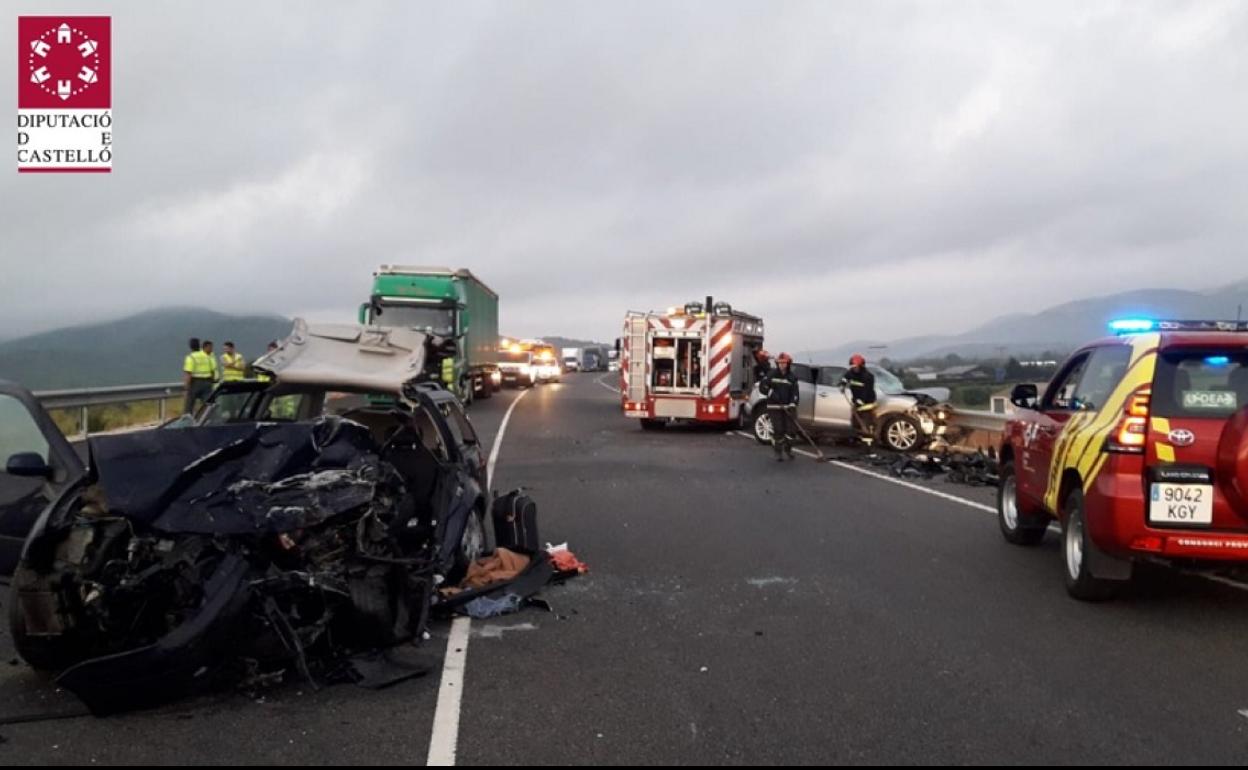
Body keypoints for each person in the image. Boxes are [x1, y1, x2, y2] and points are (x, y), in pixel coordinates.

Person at [758, 352, 799, 460]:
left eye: (784, 363)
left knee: (791, 431)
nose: (782, 365)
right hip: (774, 407)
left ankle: (788, 448)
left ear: (788, 363)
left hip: (788, 407)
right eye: (780, 363)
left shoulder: (792, 377)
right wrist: (770, 393)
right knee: (779, 430)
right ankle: (778, 451)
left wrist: (792, 403)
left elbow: (795, 393)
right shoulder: (772, 374)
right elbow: (762, 386)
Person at [839, 353, 877, 444]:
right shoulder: (851, 373)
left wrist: (860, 402)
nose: (853, 368)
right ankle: (858, 440)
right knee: (855, 423)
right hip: (857, 402)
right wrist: (842, 385)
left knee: (865, 425)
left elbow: (866, 391)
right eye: (852, 367)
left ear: (861, 366)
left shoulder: (867, 377)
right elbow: (845, 378)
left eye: (855, 367)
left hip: (867, 404)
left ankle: (868, 445)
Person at [182, 337, 215, 415]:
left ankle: (188, 423)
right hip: (207, 382)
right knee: (208, 405)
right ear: (199, 345)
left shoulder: (191, 357)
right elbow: (212, 371)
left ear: (190, 346)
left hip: (195, 383)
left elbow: (188, 373)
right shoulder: (206, 356)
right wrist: (211, 382)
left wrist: (186, 388)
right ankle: (209, 420)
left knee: (189, 405)